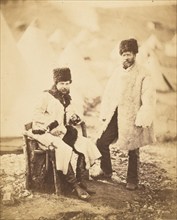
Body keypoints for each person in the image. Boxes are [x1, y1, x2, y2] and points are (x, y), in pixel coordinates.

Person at [92, 38, 156, 190]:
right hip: (116, 114)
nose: (126, 58)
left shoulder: (144, 73)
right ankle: (106, 170)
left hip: (134, 116)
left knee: (133, 149)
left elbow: (148, 97)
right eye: (124, 54)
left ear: (135, 54)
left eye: (129, 54)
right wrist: (105, 113)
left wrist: (143, 116)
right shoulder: (117, 71)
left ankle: (132, 180)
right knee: (101, 141)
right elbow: (108, 93)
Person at [30, 67, 101, 200]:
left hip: (61, 133)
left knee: (85, 144)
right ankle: (74, 185)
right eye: (62, 83)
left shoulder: (67, 98)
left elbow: (69, 114)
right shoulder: (46, 96)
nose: (65, 86)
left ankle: (81, 181)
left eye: (67, 83)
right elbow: (36, 114)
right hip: (45, 133)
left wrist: (73, 117)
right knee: (63, 149)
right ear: (56, 83)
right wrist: (50, 123)